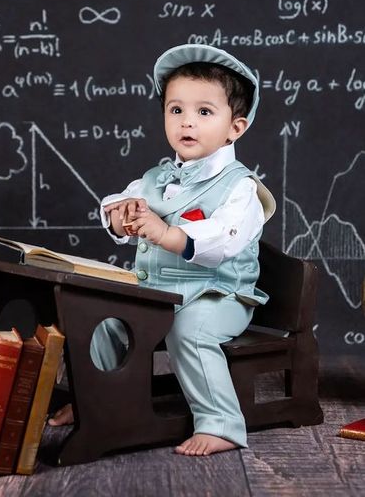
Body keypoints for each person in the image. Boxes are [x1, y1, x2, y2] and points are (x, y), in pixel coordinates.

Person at [49, 44, 275, 456]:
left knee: (192, 330)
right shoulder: (156, 177)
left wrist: (163, 232)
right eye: (176, 111)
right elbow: (119, 202)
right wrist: (121, 216)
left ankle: (220, 423)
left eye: (204, 112)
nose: (187, 122)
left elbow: (223, 238)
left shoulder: (240, 187)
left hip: (218, 294)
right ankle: (96, 407)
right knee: (104, 324)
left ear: (235, 128)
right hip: (156, 291)